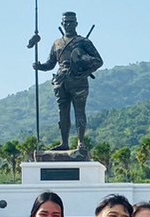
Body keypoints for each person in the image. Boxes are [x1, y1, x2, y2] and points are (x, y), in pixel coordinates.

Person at [31, 10, 103, 153]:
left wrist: (85, 72)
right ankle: (64, 143)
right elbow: (50, 64)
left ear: (76, 23)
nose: (68, 24)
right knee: (62, 113)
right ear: (62, 24)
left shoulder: (83, 42)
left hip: (78, 81)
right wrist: (39, 66)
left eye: (71, 22)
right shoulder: (57, 43)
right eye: (66, 22)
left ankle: (80, 142)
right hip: (61, 81)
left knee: (79, 112)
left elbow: (98, 61)